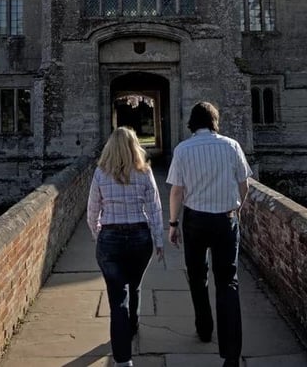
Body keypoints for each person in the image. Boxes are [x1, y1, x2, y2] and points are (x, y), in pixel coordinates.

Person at [166, 101, 252, 367]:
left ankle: (204, 327)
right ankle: (231, 355)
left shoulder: (182, 149)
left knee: (197, 275)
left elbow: (177, 191)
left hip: (195, 220)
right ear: (215, 121)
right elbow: (244, 184)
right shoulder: (231, 145)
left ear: (192, 122)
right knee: (228, 282)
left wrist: (172, 223)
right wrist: (237, 209)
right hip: (225, 219)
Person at [87, 126, 165, 367]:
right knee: (136, 284)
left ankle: (123, 360)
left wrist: (97, 233)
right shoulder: (144, 172)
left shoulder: (101, 173)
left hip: (110, 238)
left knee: (117, 297)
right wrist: (159, 240)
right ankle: (132, 326)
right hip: (140, 237)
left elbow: (92, 211)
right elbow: (154, 207)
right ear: (135, 147)